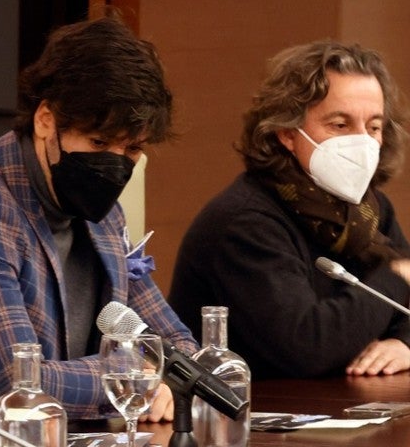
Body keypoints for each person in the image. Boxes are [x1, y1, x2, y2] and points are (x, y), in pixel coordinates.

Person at [0, 15, 196, 446]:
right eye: (100, 143)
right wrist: (136, 378)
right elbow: (21, 386)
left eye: (133, 148)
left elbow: (176, 345)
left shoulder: (102, 213)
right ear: (46, 119)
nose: (117, 164)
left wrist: (161, 376)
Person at [170, 41, 410, 379]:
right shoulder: (245, 221)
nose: (362, 142)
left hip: (336, 409)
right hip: (247, 419)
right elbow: (307, 345)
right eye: (340, 125)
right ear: (287, 133)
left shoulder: (370, 211)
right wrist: (396, 277)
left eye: (373, 127)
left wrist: (404, 343)